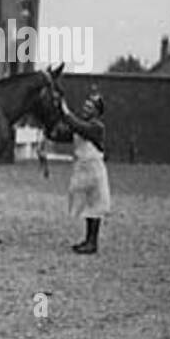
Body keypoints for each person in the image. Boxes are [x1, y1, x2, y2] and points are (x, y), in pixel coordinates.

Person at [53, 89, 110, 254]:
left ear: (97, 111)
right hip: (83, 168)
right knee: (88, 205)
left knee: (95, 205)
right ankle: (88, 240)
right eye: (86, 105)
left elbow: (77, 126)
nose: (86, 108)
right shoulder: (82, 126)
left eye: (90, 107)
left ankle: (92, 242)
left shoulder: (97, 126)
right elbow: (65, 134)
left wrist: (65, 111)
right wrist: (50, 132)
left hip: (94, 169)